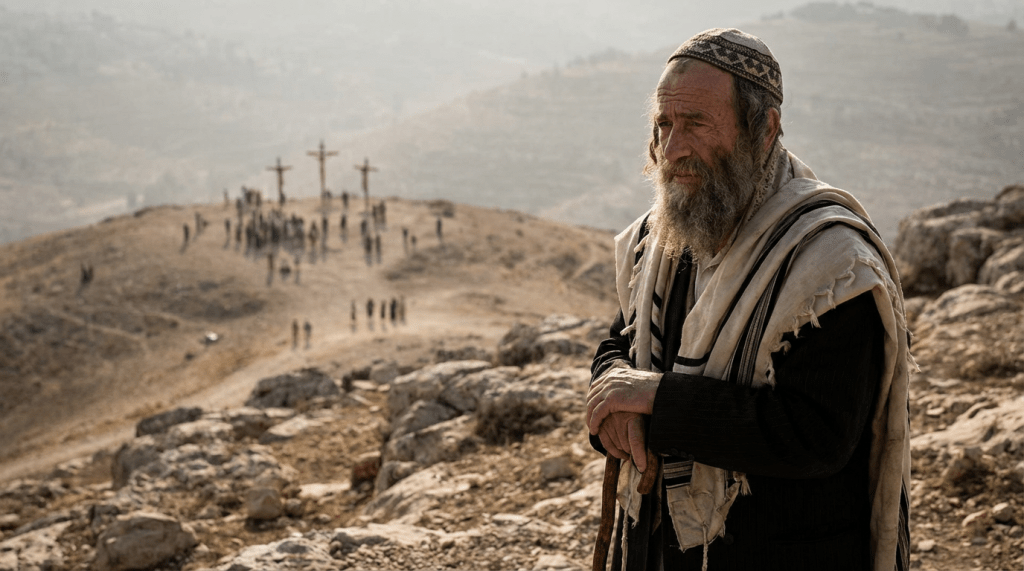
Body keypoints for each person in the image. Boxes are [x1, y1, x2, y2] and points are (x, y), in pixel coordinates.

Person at [584, 29, 911, 571]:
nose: (672, 149)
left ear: (765, 129)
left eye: (696, 124)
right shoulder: (664, 235)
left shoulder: (830, 263)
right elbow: (621, 343)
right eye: (664, 125)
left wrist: (658, 402)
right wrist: (617, 408)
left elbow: (817, 435)